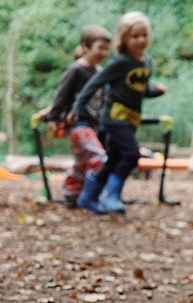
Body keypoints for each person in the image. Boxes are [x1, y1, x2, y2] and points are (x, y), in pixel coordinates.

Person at [69, 12, 164, 215]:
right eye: (135, 36)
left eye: (144, 35)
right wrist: (77, 108)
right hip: (115, 117)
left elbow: (140, 89)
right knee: (132, 154)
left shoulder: (146, 61)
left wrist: (154, 91)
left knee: (113, 159)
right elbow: (94, 84)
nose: (140, 40)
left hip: (132, 118)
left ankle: (88, 196)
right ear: (124, 39)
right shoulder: (120, 62)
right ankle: (112, 197)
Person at [41, 25, 111, 206]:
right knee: (97, 157)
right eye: (100, 48)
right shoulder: (76, 70)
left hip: (95, 125)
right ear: (86, 47)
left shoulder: (100, 71)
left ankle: (72, 193)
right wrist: (54, 117)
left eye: (107, 49)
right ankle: (92, 196)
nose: (104, 53)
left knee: (83, 162)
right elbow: (62, 95)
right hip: (78, 124)